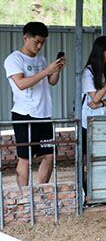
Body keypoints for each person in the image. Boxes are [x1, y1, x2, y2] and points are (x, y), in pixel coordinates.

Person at [3, 21, 65, 187]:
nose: (39, 46)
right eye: (36, 42)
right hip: (24, 114)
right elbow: (21, 84)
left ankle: (41, 191)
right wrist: (46, 71)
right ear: (26, 38)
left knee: (49, 155)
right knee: (25, 158)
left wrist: (57, 69)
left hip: (44, 113)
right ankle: (24, 195)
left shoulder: (41, 59)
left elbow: (51, 81)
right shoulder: (14, 59)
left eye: (42, 43)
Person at [81, 36, 106, 194]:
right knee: (88, 157)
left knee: (103, 155)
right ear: (99, 53)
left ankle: (102, 189)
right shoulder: (88, 72)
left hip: (105, 118)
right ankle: (87, 191)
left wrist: (102, 103)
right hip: (89, 122)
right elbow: (94, 97)